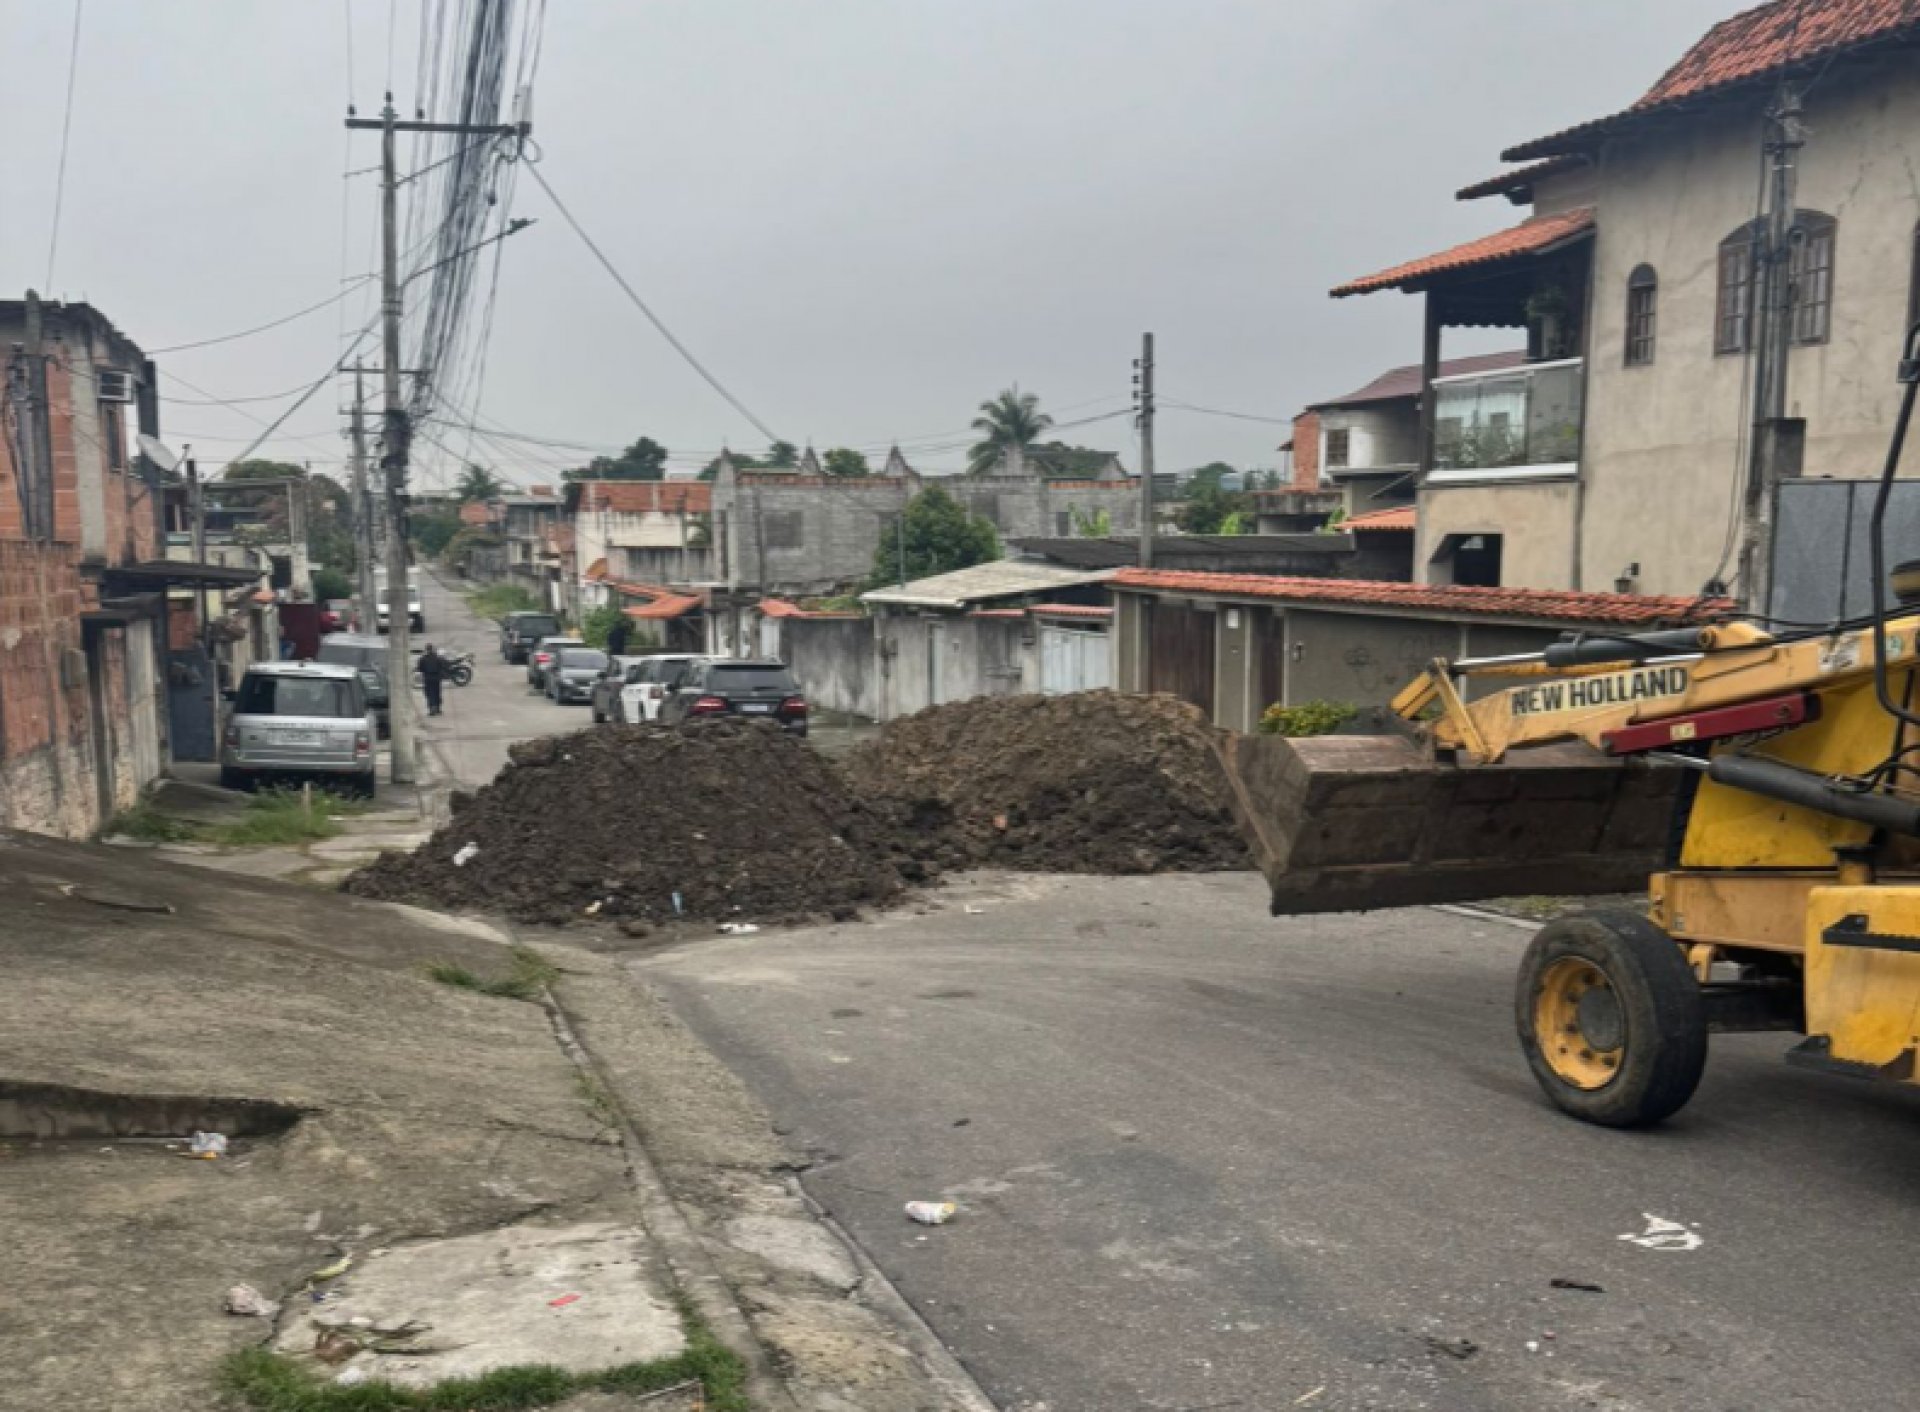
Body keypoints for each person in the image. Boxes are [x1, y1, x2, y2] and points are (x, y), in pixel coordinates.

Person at [417, 643, 447, 717]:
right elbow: (442, 667)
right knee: (437, 692)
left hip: (428, 678)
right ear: (432, 649)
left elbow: (420, 668)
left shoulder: (423, 659)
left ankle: (431, 709)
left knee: (429, 694)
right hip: (436, 678)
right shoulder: (438, 658)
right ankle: (438, 708)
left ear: (426, 650)